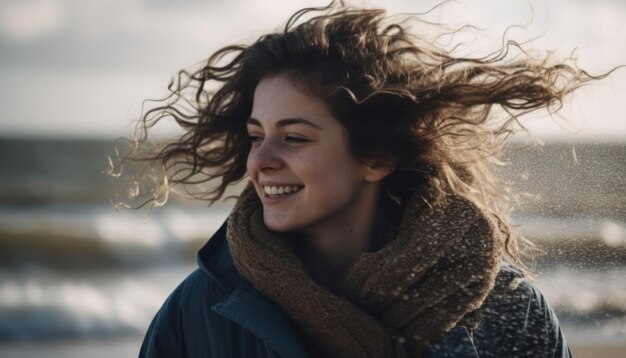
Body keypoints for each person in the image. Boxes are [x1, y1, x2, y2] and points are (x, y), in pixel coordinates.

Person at [119, 2, 607, 357]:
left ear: (376, 157)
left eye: (294, 139)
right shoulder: (202, 311)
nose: (261, 161)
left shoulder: (507, 310)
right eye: (255, 135)